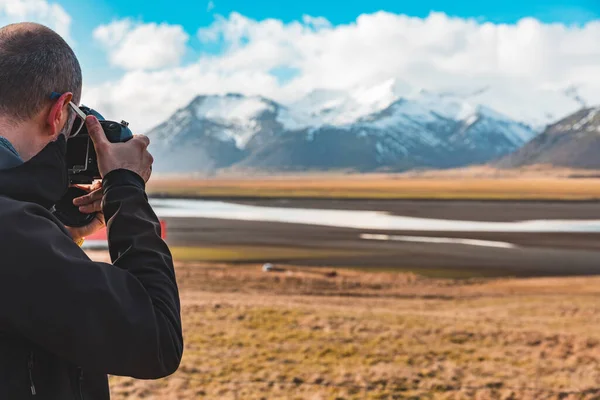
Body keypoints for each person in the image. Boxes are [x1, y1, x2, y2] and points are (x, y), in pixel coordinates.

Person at [0, 22, 183, 399]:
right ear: (58, 112)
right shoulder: (13, 235)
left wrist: (63, 238)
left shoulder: (19, 233)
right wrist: (127, 189)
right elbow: (158, 339)